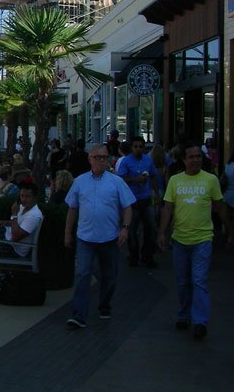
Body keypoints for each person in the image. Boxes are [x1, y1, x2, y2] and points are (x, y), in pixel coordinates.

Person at [158, 143, 231, 340]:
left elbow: (220, 206)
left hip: (203, 239)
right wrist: (161, 233)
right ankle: (184, 314)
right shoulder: (175, 181)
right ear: (184, 160)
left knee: (199, 280)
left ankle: (200, 321)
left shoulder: (210, 180)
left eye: (198, 156)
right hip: (180, 240)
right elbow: (167, 208)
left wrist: (230, 230)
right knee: (182, 282)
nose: (196, 160)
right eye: (191, 157)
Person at [64, 145, 135, 328]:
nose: (101, 160)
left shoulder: (116, 182)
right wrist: (67, 234)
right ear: (90, 159)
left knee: (109, 276)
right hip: (85, 238)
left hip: (109, 238)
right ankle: (79, 315)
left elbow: (127, 206)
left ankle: (104, 305)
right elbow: (72, 208)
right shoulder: (80, 181)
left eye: (104, 157)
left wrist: (125, 228)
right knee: (82, 275)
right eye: (97, 157)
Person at [117, 135, 161, 268]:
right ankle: (134, 255)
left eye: (141, 146)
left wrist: (156, 192)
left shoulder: (148, 160)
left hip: (146, 199)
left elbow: (153, 175)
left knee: (151, 228)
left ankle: (147, 256)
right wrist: (136, 180)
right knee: (132, 230)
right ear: (132, 148)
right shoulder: (126, 161)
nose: (138, 149)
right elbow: (121, 178)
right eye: (135, 146)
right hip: (132, 201)